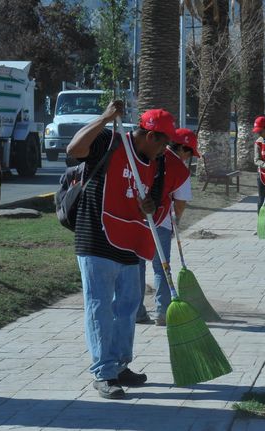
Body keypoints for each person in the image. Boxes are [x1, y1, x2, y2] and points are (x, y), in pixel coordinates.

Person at [67, 101, 175, 399]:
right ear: (151, 136)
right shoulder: (109, 141)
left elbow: (154, 199)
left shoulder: (158, 162)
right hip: (96, 237)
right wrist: (104, 118)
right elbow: (74, 150)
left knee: (127, 307)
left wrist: (149, 204)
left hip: (131, 241)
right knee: (100, 306)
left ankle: (120, 364)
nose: (164, 151)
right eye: (163, 143)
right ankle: (104, 373)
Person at [137, 128, 197, 326]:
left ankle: (136, 311)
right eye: (189, 154)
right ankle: (162, 312)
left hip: (136, 220)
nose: (188, 159)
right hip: (160, 222)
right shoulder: (180, 169)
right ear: (183, 149)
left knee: (136, 266)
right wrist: (175, 222)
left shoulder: (145, 154)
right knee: (161, 268)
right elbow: (180, 203)